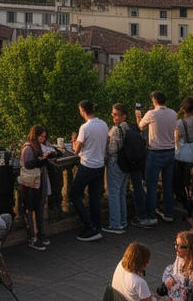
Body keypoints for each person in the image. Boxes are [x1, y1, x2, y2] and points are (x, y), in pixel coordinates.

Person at [137, 90, 178, 224]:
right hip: (170, 151)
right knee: (168, 184)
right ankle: (168, 213)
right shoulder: (173, 113)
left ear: (154, 100)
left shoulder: (152, 113)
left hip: (156, 152)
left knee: (151, 185)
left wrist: (138, 116)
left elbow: (141, 127)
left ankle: (151, 216)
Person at [104, 103, 145, 235]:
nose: (113, 116)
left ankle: (115, 223)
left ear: (123, 116)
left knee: (113, 194)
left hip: (116, 163)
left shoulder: (116, 130)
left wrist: (107, 144)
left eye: (116, 114)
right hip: (126, 164)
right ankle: (122, 220)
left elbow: (112, 150)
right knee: (121, 193)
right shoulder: (128, 127)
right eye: (113, 113)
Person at [71, 99, 108, 241]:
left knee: (74, 194)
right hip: (100, 165)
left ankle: (89, 226)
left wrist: (74, 141)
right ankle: (97, 226)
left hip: (87, 166)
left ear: (83, 110)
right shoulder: (103, 124)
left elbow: (76, 150)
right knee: (95, 197)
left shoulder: (85, 127)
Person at [20, 124, 57, 250]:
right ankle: (33, 237)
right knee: (30, 208)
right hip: (30, 182)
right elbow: (28, 164)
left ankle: (40, 234)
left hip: (39, 180)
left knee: (40, 206)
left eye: (44, 136)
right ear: (35, 135)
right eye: (41, 136)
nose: (43, 138)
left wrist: (49, 156)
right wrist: (42, 159)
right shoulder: (28, 148)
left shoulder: (40, 146)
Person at [173, 97, 193, 216]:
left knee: (179, 180)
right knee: (192, 181)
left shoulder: (180, 123)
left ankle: (183, 202)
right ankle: (191, 202)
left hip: (183, 153)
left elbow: (176, 138)